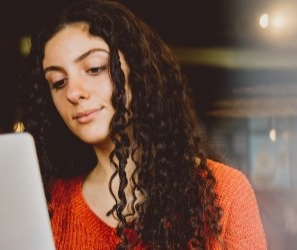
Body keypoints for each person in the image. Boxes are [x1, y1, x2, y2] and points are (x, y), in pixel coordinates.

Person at [18, 0, 267, 249]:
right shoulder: (49, 206)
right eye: (58, 82)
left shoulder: (224, 193)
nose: (73, 92)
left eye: (94, 68)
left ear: (138, 72)